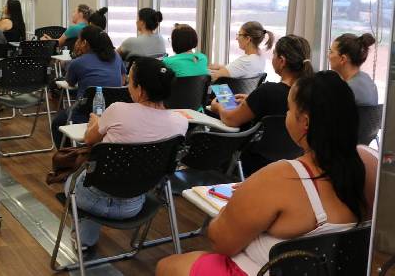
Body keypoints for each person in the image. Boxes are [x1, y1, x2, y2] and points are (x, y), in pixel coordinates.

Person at [156, 71, 372, 276]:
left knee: (166, 265)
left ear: (304, 121)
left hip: (260, 270)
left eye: (289, 109)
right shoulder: (370, 162)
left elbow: (221, 242)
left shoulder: (282, 177)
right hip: (333, 269)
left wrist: (230, 209)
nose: (287, 115)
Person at [67, 57, 188, 250]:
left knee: (83, 177)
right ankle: (84, 240)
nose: (126, 84)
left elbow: (89, 140)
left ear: (140, 89)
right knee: (106, 174)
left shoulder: (117, 110)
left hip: (91, 200)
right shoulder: (180, 123)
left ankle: (84, 241)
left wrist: (95, 122)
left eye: (130, 80)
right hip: (135, 203)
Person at [210, 35, 313, 175]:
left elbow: (231, 119)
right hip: (294, 161)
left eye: (274, 54)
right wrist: (252, 100)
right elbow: (278, 104)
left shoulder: (268, 91)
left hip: (258, 162)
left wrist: (218, 108)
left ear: (282, 61)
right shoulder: (311, 92)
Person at [51, 25, 127, 147]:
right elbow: (123, 80)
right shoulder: (116, 56)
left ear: (85, 43)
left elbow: (70, 83)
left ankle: (69, 155)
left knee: (58, 122)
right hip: (113, 112)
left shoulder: (78, 63)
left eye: (79, 40)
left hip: (86, 113)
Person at [328, 33, 379, 106]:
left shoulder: (345, 91)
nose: (328, 56)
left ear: (343, 59)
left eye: (331, 52)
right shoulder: (367, 79)